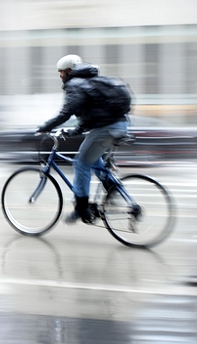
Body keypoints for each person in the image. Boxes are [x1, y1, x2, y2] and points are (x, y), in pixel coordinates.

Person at [36, 54, 130, 223]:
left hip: (106, 129)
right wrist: (74, 131)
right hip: (119, 125)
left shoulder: (75, 84)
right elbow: (94, 115)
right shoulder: (91, 83)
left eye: (61, 72)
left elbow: (66, 113)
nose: (60, 76)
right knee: (92, 160)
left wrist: (45, 127)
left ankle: (81, 208)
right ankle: (111, 187)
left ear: (69, 71)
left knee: (80, 162)